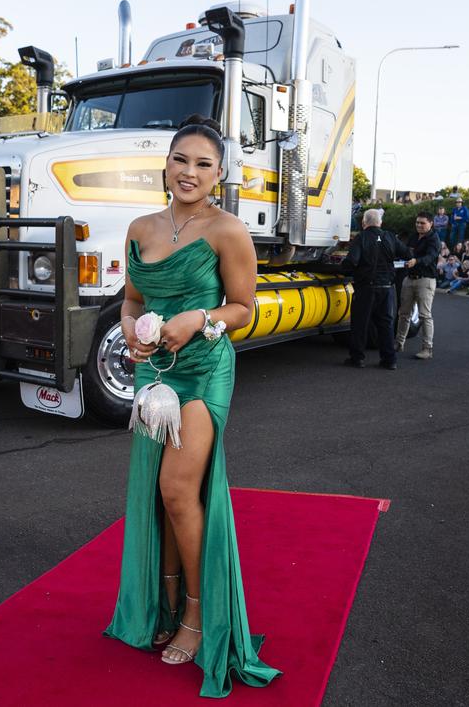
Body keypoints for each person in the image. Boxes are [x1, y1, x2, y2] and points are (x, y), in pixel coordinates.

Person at [104, 116, 281, 697]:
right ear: (166, 165)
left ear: (220, 174)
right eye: (182, 159)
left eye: (204, 164)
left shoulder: (229, 231)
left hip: (205, 373)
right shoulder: (141, 227)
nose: (190, 172)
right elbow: (132, 299)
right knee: (158, 496)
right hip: (154, 376)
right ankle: (166, 602)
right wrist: (131, 330)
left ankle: (199, 617)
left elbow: (244, 308)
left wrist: (198, 319)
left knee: (179, 491)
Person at [340, 208, 410, 369]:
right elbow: (406, 253)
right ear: (380, 223)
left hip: (366, 287)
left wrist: (344, 269)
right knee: (385, 324)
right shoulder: (390, 237)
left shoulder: (361, 237)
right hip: (386, 286)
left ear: (364, 223)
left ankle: (357, 358)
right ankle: (389, 360)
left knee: (360, 323)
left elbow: (352, 261)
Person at [395, 211, 441, 359]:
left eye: (422, 223)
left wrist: (416, 260)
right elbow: (406, 252)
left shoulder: (434, 239)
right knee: (403, 313)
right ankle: (399, 343)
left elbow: (430, 257)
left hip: (426, 280)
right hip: (409, 279)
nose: (419, 225)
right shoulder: (414, 237)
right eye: (417, 223)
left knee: (424, 315)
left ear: (431, 223)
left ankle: (427, 349)